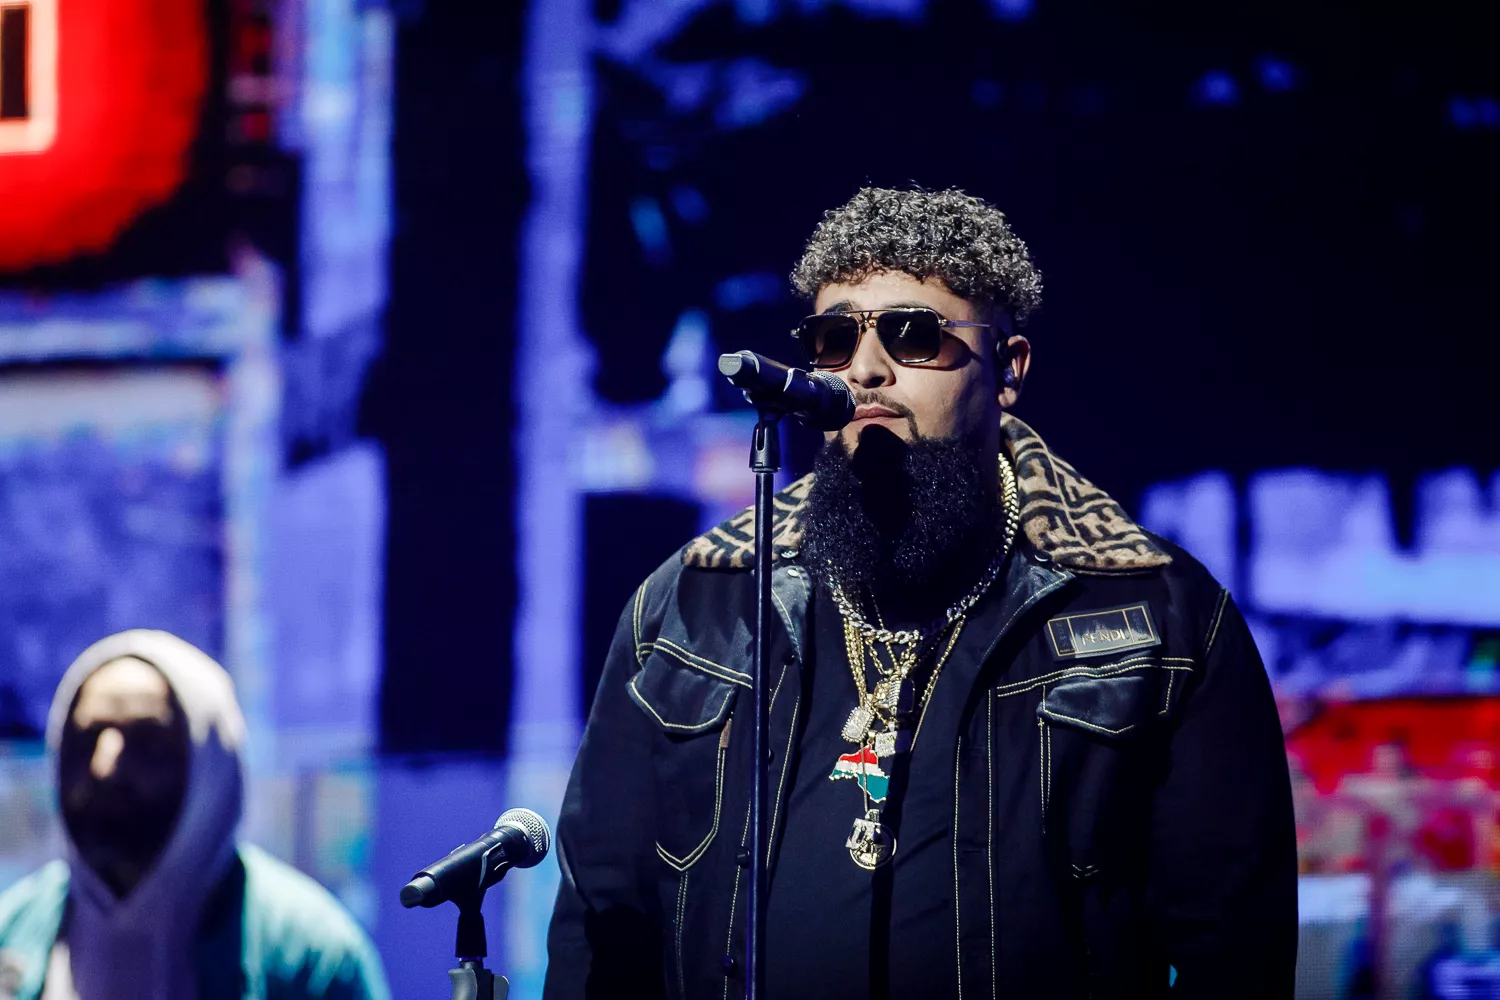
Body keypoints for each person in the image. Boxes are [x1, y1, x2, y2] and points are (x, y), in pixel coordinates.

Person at [545, 186, 1297, 999]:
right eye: (835, 340)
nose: (866, 368)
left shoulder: (1157, 617)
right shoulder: (694, 605)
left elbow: (1238, 953)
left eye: (914, 335)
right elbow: (600, 926)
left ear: (1007, 369)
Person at [0, 630, 390, 1000]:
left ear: (211, 768)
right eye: (86, 738)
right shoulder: (12, 934)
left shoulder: (310, 959)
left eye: (146, 743)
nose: (105, 769)